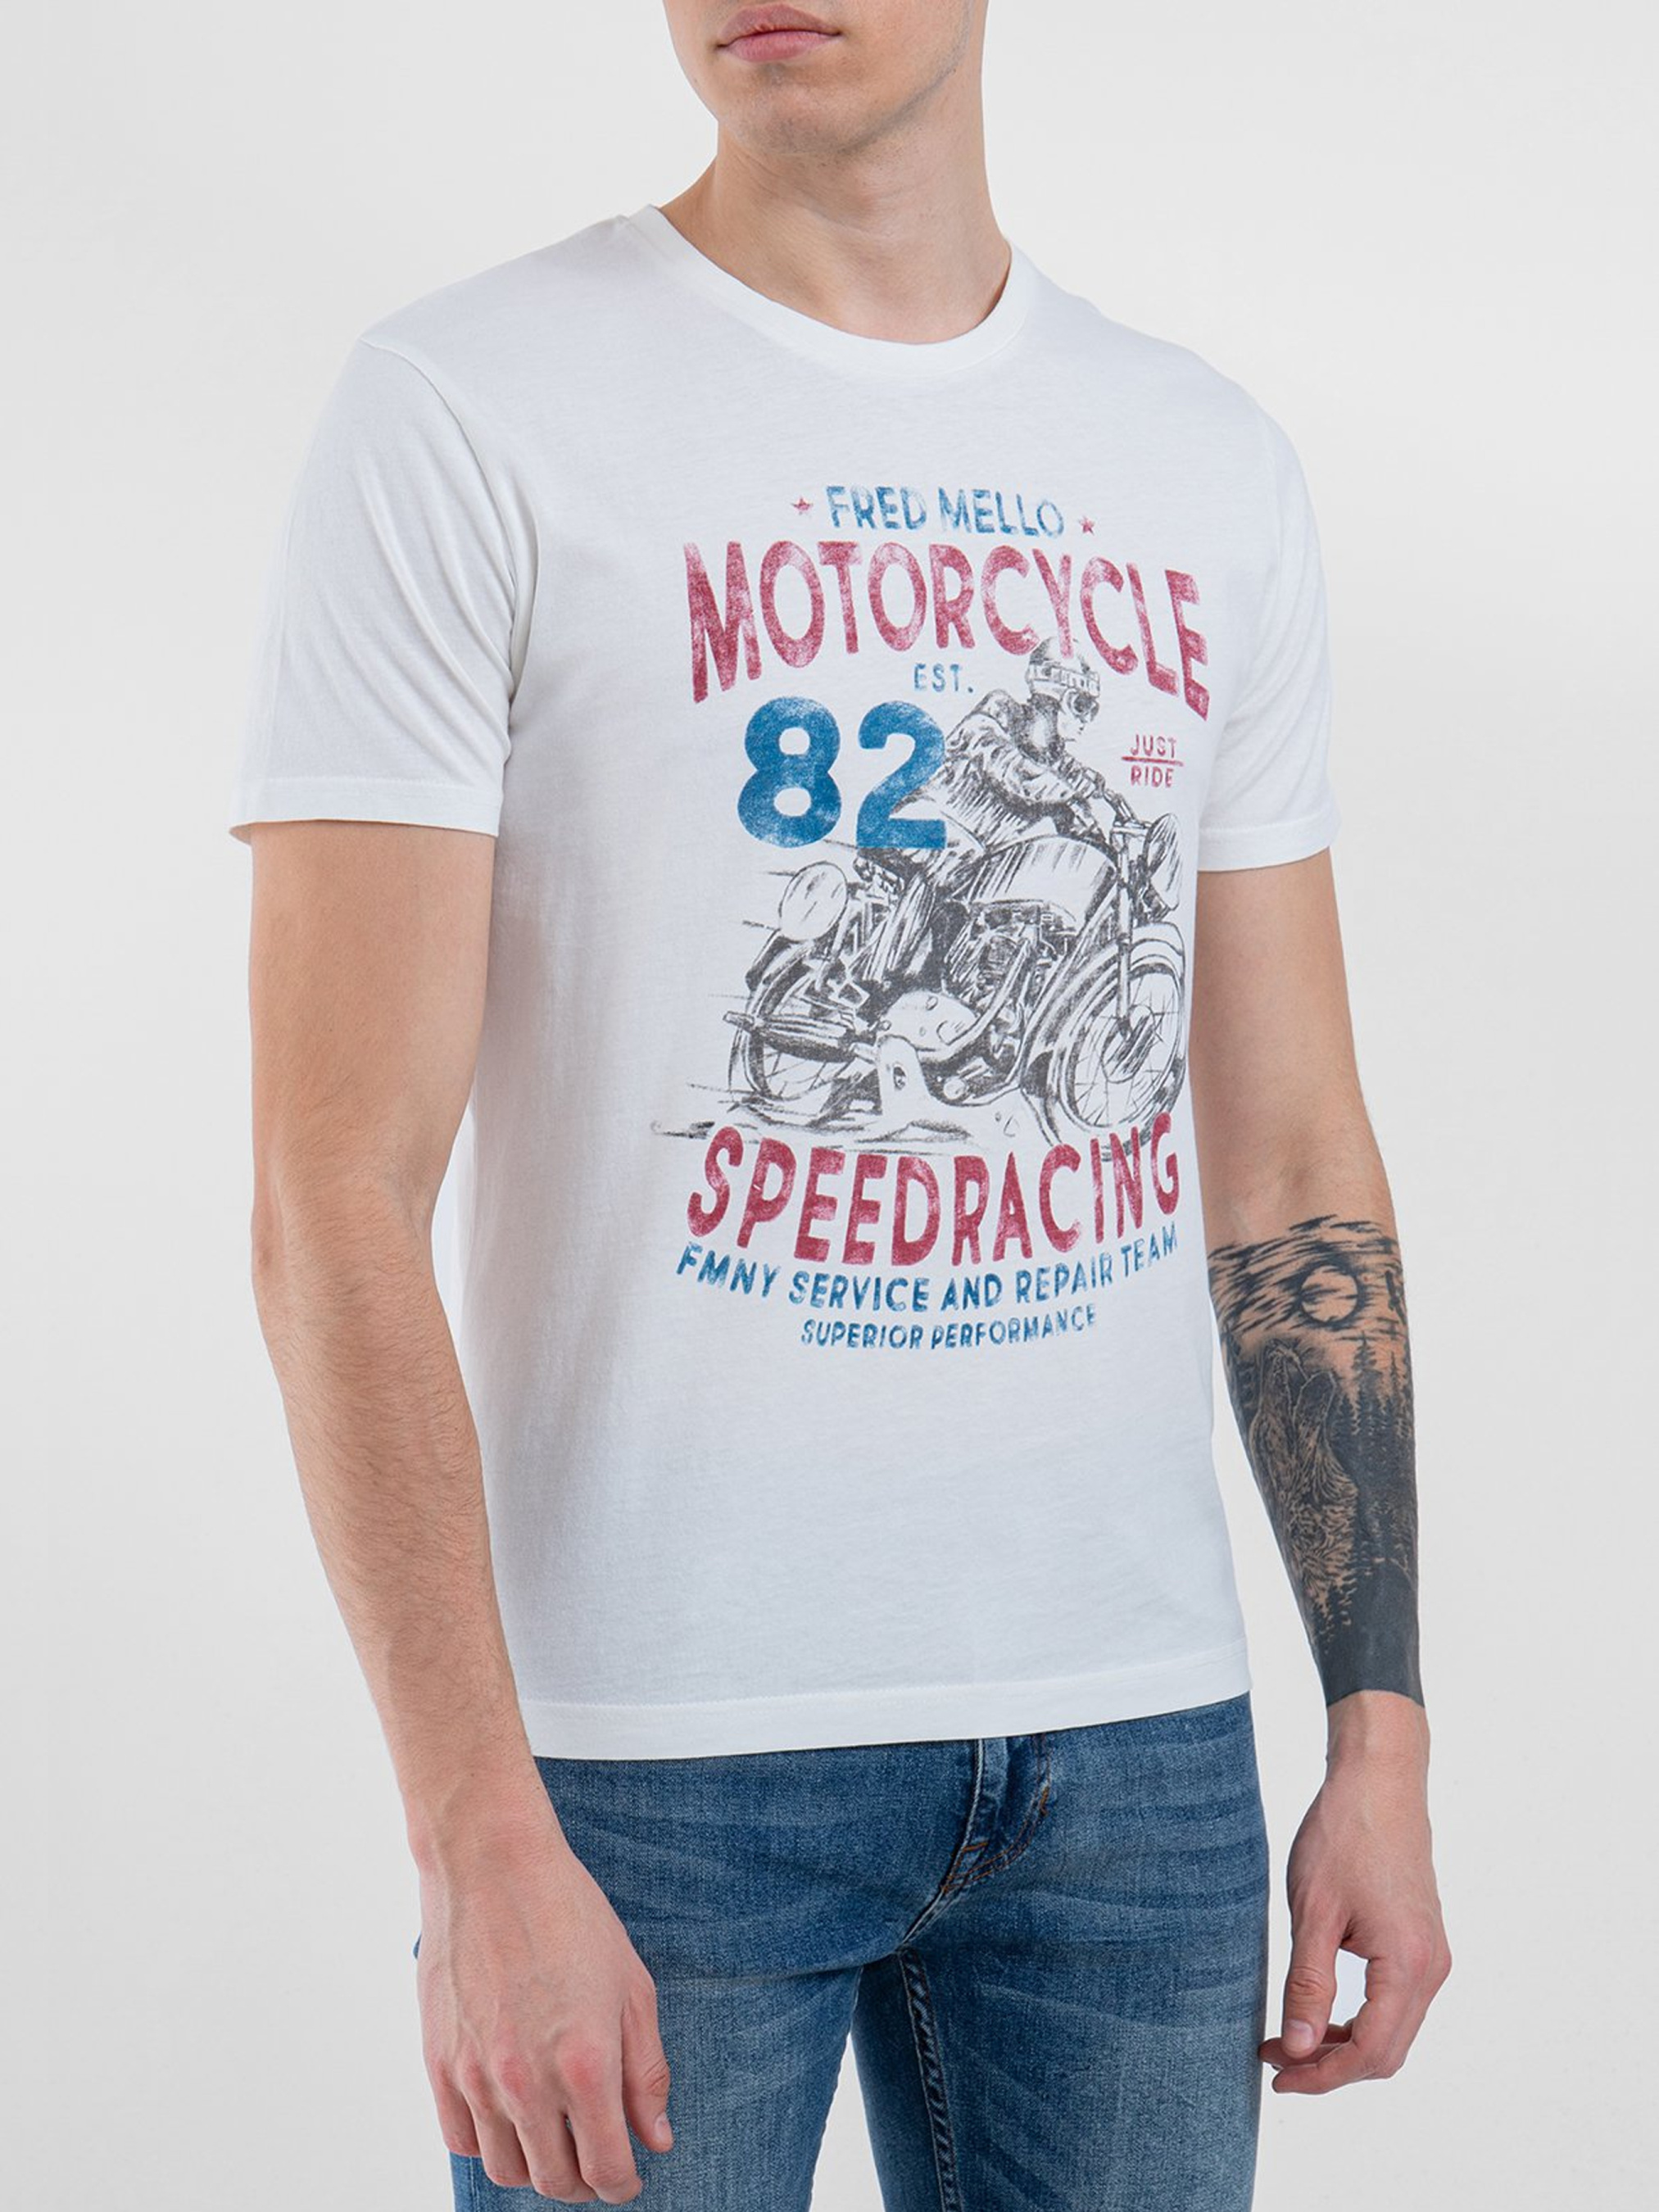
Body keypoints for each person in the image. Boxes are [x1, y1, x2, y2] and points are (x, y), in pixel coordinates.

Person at [230, 3, 1451, 2205]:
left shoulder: (1198, 456)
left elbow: (1289, 1162)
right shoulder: (468, 405)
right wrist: (474, 1831)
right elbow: (333, 1191)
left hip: (1137, 1748)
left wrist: (1379, 1730)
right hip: (646, 1770)